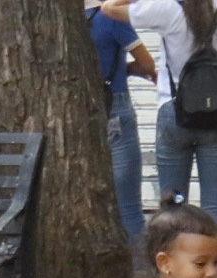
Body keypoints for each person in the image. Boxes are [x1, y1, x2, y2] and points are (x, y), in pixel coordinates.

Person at [100, 0, 217, 270]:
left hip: (174, 112)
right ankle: (214, 277)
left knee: (172, 205)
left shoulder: (169, 8)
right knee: (216, 206)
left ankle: (174, 276)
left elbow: (109, 7)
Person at [87, 0, 155, 256]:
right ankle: (139, 268)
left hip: (86, 109)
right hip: (115, 105)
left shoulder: (76, 23)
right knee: (129, 206)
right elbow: (147, 64)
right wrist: (123, 70)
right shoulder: (111, 18)